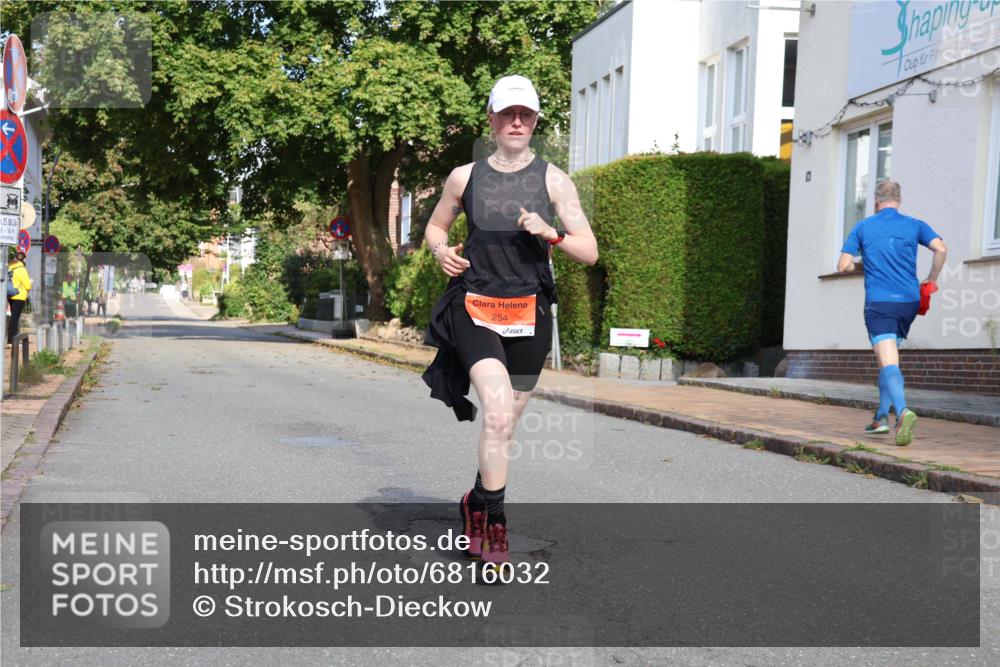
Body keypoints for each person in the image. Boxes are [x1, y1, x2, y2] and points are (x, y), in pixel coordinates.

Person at [422, 75, 598, 567]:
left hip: (528, 312)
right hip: (475, 306)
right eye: (507, 114)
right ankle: (495, 524)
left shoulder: (554, 180)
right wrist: (441, 251)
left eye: (526, 115)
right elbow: (436, 226)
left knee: (506, 425)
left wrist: (553, 234)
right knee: (497, 414)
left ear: (536, 122)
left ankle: (474, 501)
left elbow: (589, 251)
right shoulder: (464, 176)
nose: (516, 122)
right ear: (492, 120)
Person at [838, 180, 947, 446]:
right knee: (887, 360)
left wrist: (861, 265)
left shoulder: (864, 227)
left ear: (876, 201)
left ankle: (902, 412)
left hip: (881, 303)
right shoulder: (915, 224)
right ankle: (880, 418)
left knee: (888, 362)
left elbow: (843, 266)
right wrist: (930, 278)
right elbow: (941, 249)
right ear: (899, 200)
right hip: (909, 302)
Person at [6, 250, 32, 345]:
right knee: (15, 318)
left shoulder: (10, 267)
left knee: (13, 317)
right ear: (24, 259)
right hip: (19, 296)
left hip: (10, 295)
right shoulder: (22, 269)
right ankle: (12, 340)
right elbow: (28, 286)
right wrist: (30, 283)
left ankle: (12, 338)